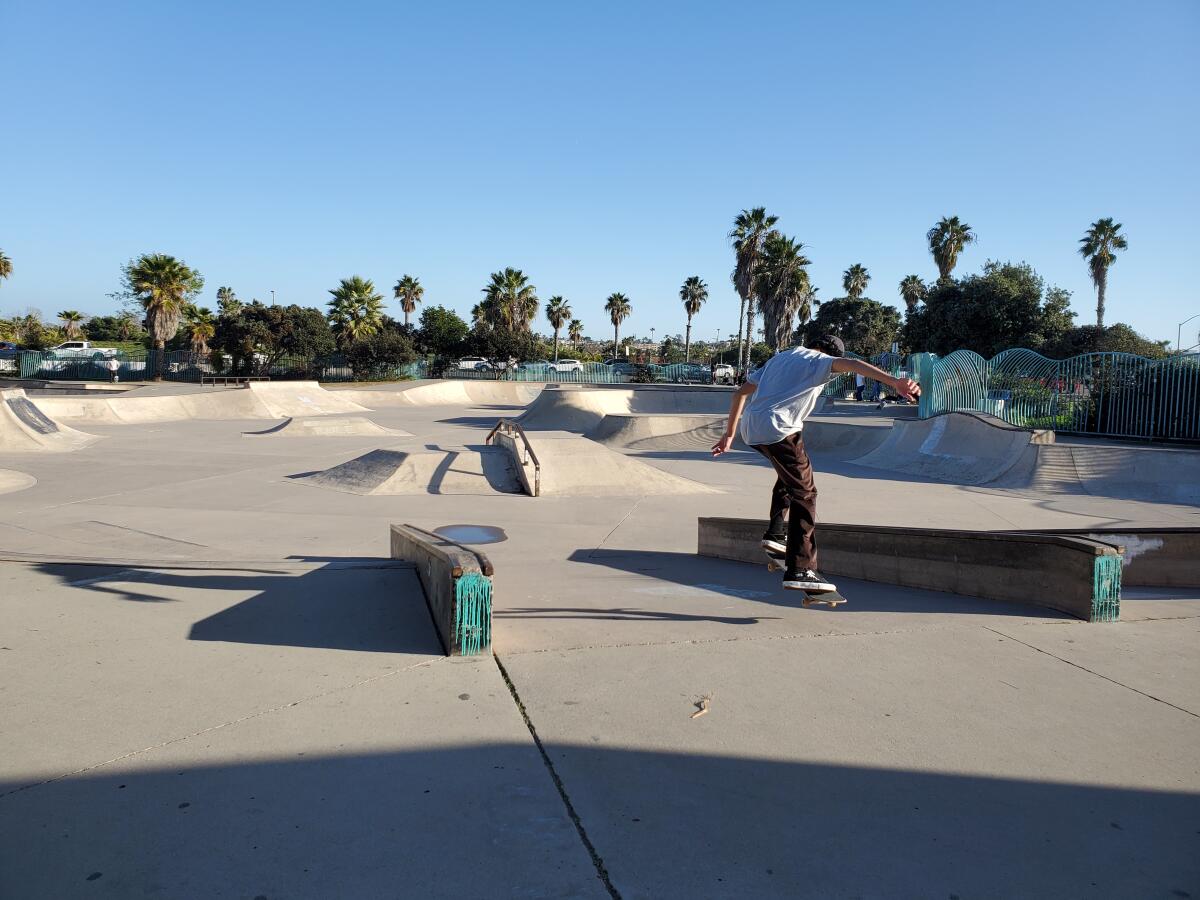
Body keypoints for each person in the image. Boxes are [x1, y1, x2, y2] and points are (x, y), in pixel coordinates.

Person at [711, 335, 920, 594]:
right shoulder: (819, 360)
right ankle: (801, 568)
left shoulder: (780, 358)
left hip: (752, 429)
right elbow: (854, 364)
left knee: (790, 478)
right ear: (828, 352)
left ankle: (776, 533)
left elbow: (740, 393)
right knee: (806, 493)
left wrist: (729, 434)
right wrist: (894, 382)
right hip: (780, 428)